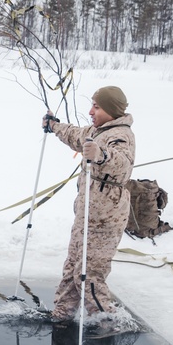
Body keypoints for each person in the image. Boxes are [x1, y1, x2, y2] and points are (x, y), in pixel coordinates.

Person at [42, 87, 136, 325]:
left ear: (112, 110)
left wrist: (101, 155)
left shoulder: (120, 135)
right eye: (92, 105)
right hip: (85, 215)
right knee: (72, 266)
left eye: (97, 106)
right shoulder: (98, 130)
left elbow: (122, 163)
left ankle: (106, 320)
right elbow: (75, 135)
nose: (91, 111)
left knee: (89, 274)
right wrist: (54, 126)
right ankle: (63, 312)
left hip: (105, 218)